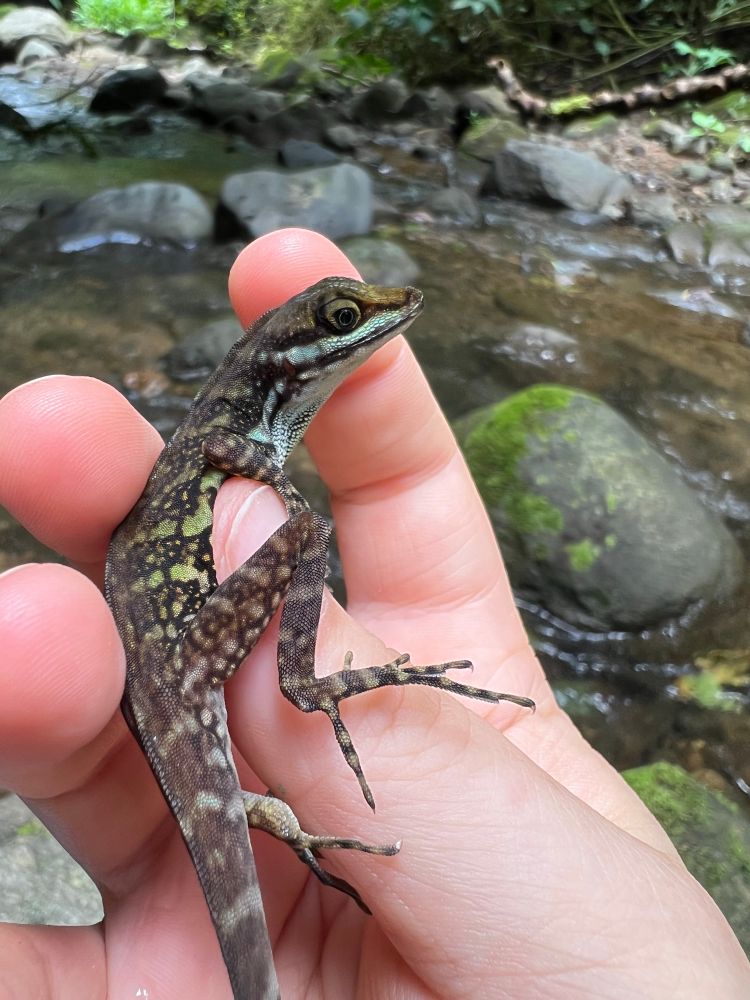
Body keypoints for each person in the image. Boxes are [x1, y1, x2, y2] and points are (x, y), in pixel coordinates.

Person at [0, 227, 747, 999]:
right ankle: (305, 685)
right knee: (305, 532)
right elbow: (235, 455)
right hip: (177, 664)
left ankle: (268, 791)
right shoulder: (231, 431)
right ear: (284, 359)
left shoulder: (238, 425)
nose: (388, 312)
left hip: (173, 673)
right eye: (343, 318)